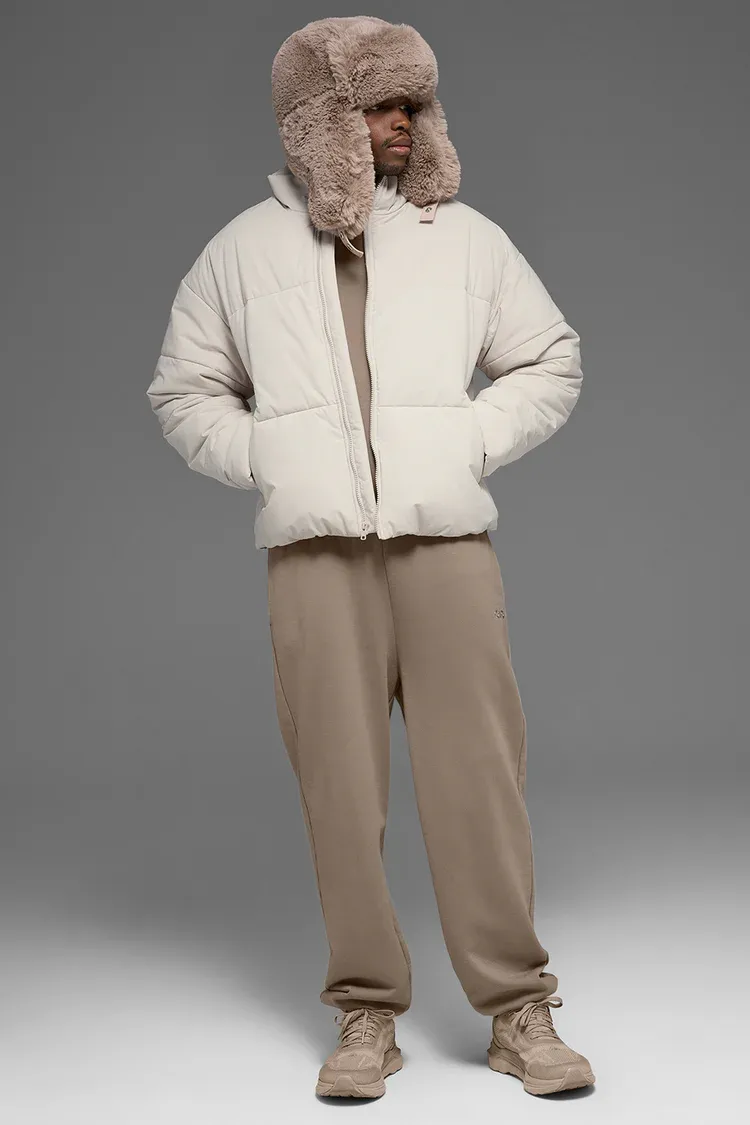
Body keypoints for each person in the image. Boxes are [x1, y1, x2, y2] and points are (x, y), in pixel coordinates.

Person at [146, 15, 595, 1101]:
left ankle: (517, 1007)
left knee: (480, 782)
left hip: (446, 552)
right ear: (320, 122)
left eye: (414, 105)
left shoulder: (465, 239)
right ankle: (364, 1012)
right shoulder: (240, 253)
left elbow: (550, 357)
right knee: (340, 793)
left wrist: (467, 439)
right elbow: (183, 392)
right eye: (380, 105)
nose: (406, 124)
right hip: (317, 563)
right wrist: (272, 457)